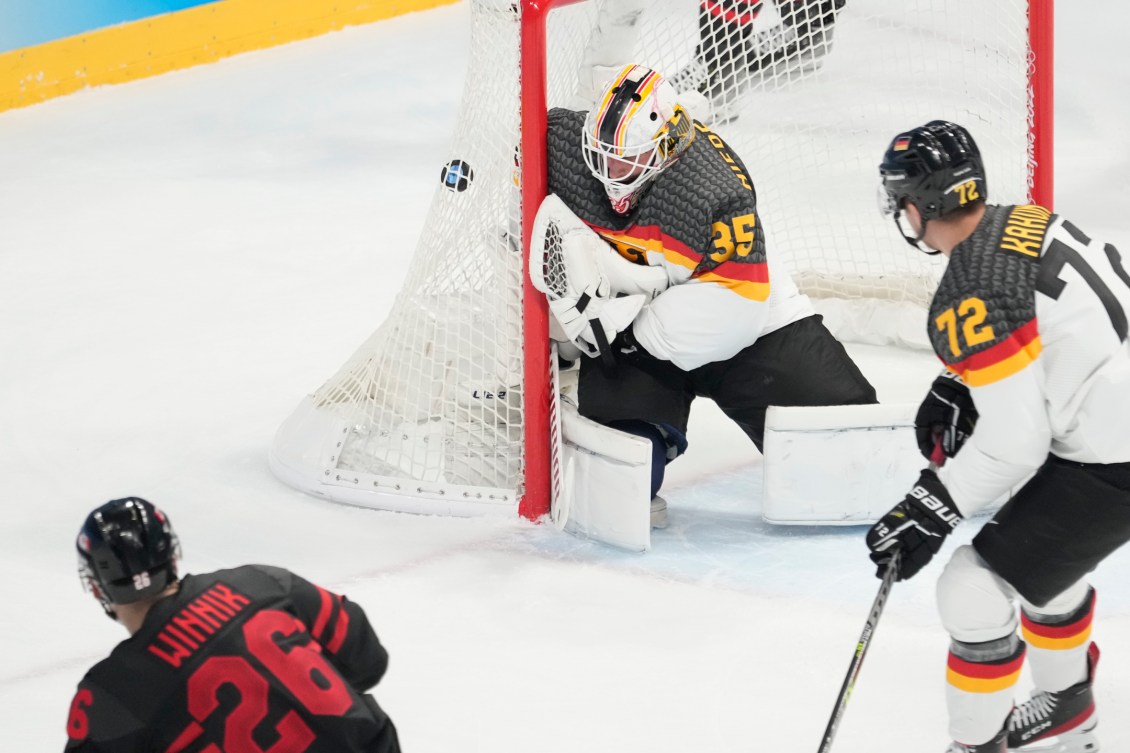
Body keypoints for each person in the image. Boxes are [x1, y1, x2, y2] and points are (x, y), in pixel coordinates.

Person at [865, 120, 1130, 752]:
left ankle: (976, 745)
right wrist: (963, 379)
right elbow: (1056, 321)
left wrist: (931, 504)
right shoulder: (1024, 219)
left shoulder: (970, 288)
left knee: (971, 587)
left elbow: (1016, 443)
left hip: (1113, 457)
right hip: (1111, 422)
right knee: (1040, 553)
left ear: (920, 204)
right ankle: (1069, 711)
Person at [544, 63, 877, 528]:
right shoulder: (561, 146)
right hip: (639, 330)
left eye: (626, 159)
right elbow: (520, 191)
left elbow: (735, 313)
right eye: (601, 154)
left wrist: (630, 334)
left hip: (751, 325)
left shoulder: (711, 193)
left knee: (856, 460)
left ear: (663, 149)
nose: (608, 171)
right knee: (620, 484)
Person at [65, 497, 400, 752]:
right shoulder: (262, 583)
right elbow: (368, 661)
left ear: (96, 587)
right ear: (172, 557)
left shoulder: (110, 693)